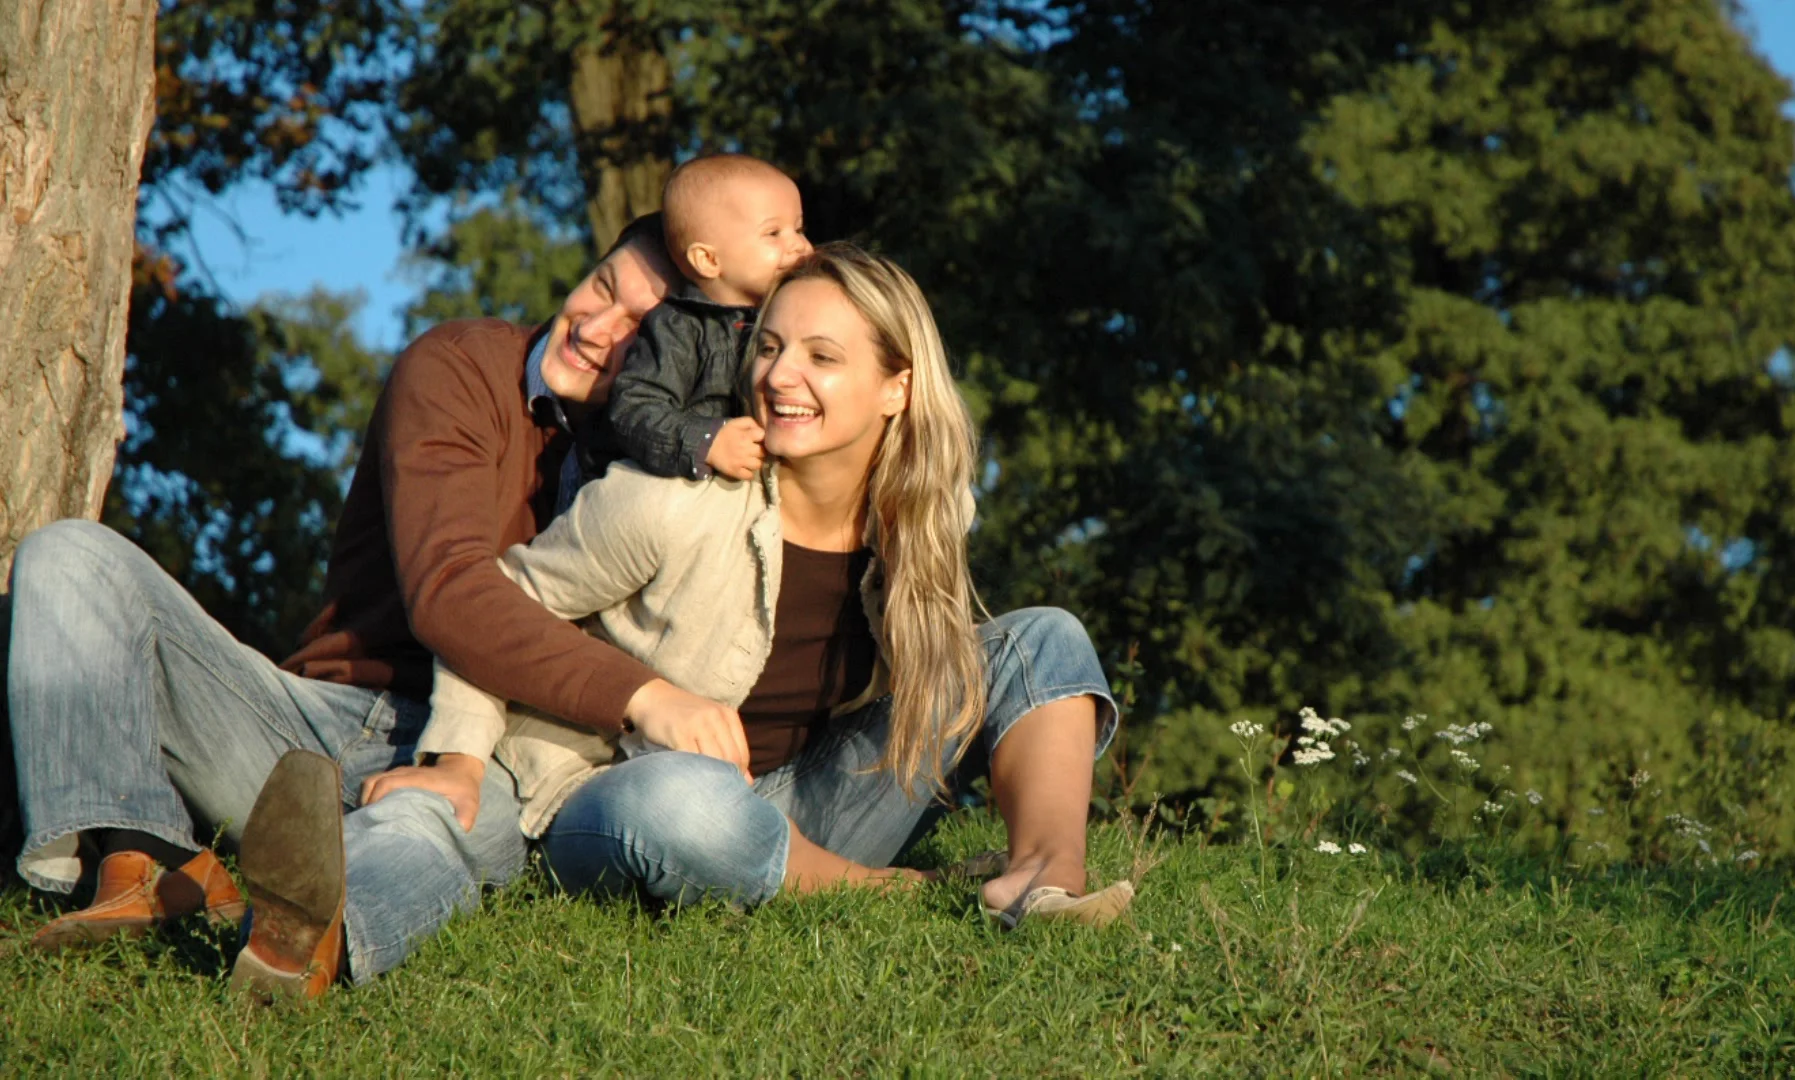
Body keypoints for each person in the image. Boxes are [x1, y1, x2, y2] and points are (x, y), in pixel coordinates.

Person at [6, 212, 679, 996]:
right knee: (69, 555)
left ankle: (308, 935)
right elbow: (450, 591)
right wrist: (642, 697)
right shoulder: (461, 365)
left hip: (478, 751)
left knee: (443, 822)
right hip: (315, 714)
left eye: (639, 328)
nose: (598, 327)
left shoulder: (665, 470)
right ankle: (144, 858)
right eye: (602, 288)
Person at [421, 243, 1135, 925]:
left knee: (1044, 638)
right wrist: (457, 760)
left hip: (800, 804)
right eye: (769, 347)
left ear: (897, 387)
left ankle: (1042, 884)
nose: (779, 376)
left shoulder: (929, 515)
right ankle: (891, 895)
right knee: (687, 800)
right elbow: (495, 612)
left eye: (821, 356)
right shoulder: (665, 502)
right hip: (619, 804)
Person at [595, 153, 811, 485]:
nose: (799, 245)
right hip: (681, 497)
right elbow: (633, 408)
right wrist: (707, 441)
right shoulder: (680, 327)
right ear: (708, 259)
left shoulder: (792, 320)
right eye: (773, 233)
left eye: (798, 229)